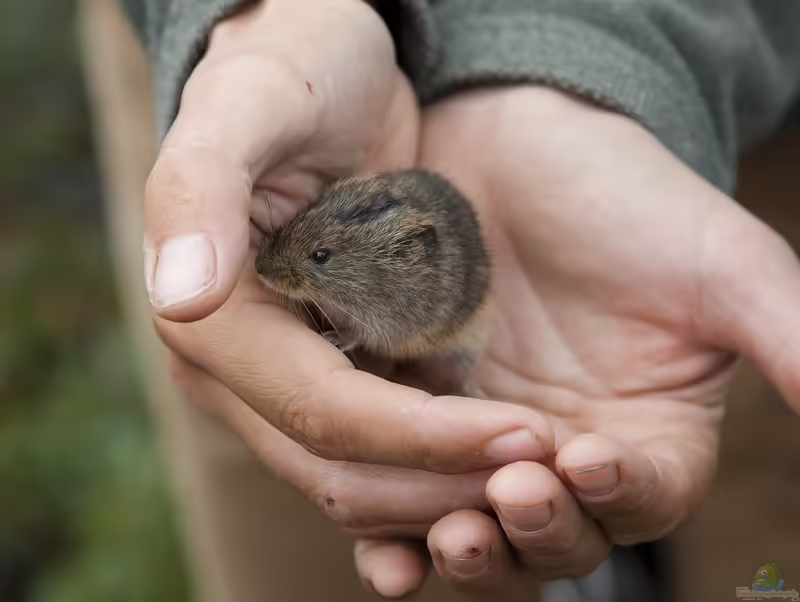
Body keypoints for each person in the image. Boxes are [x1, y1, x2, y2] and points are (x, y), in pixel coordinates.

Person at [81, 0, 800, 600]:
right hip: (270, 84)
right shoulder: (318, 218)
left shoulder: (407, 279)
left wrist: (594, 48)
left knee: (754, 526)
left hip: (736, 69)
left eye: (322, 258)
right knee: (314, 489)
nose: (296, 265)